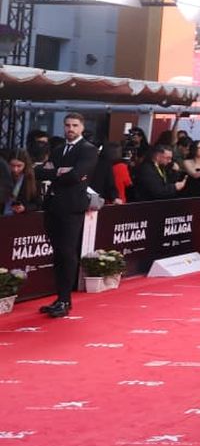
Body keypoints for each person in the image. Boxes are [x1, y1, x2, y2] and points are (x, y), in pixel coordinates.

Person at [37, 112, 100, 319]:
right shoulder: (57, 149)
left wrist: (57, 173)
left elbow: (75, 176)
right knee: (57, 253)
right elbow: (41, 173)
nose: (70, 129)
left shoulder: (88, 150)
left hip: (72, 207)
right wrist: (59, 173)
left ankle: (65, 299)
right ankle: (61, 298)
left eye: (74, 125)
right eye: (67, 125)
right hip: (53, 206)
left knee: (66, 252)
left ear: (82, 127)